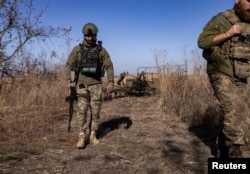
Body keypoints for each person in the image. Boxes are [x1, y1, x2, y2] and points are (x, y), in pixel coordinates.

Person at [198, 0, 250, 158]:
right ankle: (235, 158)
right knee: (234, 110)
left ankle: (224, 149)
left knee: (244, 115)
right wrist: (228, 33)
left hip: (241, 75)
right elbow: (202, 41)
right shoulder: (222, 20)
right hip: (221, 72)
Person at [66, 22, 114, 149]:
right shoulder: (77, 50)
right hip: (81, 85)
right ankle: (82, 136)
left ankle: (93, 135)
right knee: (82, 111)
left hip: (96, 85)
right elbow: (69, 66)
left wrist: (111, 82)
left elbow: (109, 66)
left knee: (95, 112)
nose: (90, 38)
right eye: (88, 35)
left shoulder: (101, 50)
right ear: (84, 35)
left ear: (95, 35)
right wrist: (71, 82)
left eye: (92, 35)